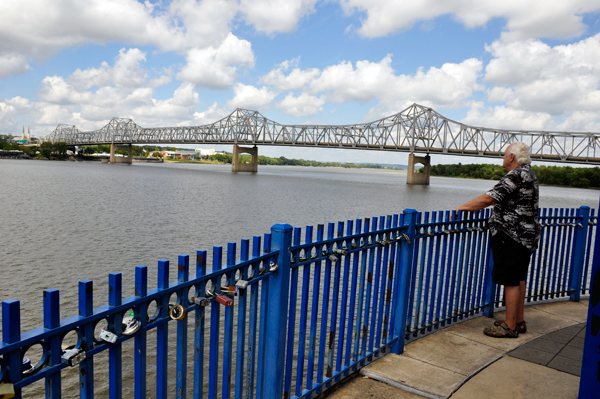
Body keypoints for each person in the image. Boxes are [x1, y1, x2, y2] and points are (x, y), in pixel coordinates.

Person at [455, 142, 540, 338]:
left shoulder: (516, 175)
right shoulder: (530, 173)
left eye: (504, 155)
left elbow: (489, 198)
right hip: (527, 235)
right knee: (518, 278)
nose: (503, 158)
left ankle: (509, 327)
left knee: (510, 281)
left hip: (511, 235)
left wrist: (461, 208)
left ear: (512, 157)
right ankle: (518, 322)